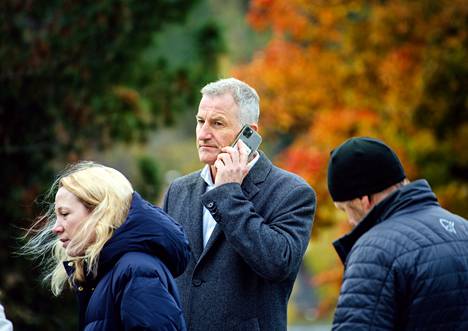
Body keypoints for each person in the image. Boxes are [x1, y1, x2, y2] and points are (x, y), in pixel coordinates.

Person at [163, 77, 316, 331]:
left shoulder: (293, 192)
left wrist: (229, 193)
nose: (203, 133)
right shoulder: (178, 190)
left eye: (217, 123)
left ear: (250, 134)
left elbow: (277, 264)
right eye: (200, 121)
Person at [22, 161, 190, 330]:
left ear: (101, 212)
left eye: (65, 214)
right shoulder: (110, 270)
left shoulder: (136, 271)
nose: (55, 228)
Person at [327, 137, 468, 330]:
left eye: (346, 209)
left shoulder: (373, 250)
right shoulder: (462, 228)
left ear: (364, 200)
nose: (350, 221)